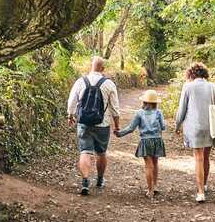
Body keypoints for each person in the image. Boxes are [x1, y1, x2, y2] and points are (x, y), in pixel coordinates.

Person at [67, 56, 120, 195]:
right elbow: (115, 107)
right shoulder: (109, 84)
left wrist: (70, 115)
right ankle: (100, 179)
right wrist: (117, 126)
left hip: (84, 122)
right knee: (101, 153)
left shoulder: (80, 81)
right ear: (103, 69)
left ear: (90, 67)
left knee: (85, 151)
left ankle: (85, 181)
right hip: (102, 124)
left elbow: (72, 100)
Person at [175, 62, 215, 203]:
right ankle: (204, 184)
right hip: (210, 127)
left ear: (191, 74)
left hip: (194, 127)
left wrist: (177, 125)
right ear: (205, 74)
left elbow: (182, 110)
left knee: (198, 158)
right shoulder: (212, 86)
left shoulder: (188, 86)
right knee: (206, 157)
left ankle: (201, 192)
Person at [114, 90, 166, 199]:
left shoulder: (139, 113)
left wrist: (120, 134)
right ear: (155, 102)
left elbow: (131, 128)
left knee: (148, 166)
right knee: (155, 163)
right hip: (157, 140)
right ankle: (155, 186)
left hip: (145, 141)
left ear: (144, 101)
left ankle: (150, 190)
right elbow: (163, 127)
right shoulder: (158, 112)